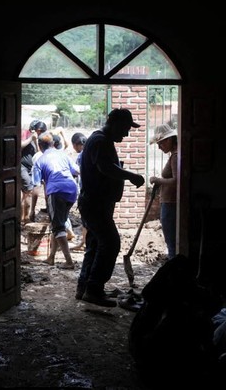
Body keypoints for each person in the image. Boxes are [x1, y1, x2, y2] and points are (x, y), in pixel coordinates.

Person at [76, 108, 145, 307]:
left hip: (95, 203)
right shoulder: (100, 141)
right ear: (113, 123)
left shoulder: (99, 139)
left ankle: (84, 287)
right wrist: (131, 175)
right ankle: (94, 289)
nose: (126, 133)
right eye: (124, 128)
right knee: (111, 243)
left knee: (95, 244)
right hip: (95, 204)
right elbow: (105, 168)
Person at [32, 131, 80, 269]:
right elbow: (77, 170)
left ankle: (69, 261)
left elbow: (36, 188)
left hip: (56, 191)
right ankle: (51, 257)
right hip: (71, 190)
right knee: (58, 222)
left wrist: (32, 210)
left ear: (40, 146)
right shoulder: (63, 155)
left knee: (58, 226)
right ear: (53, 143)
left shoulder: (39, 161)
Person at [149, 123, 178, 259]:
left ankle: (174, 271)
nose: (159, 148)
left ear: (169, 140)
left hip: (171, 204)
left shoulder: (176, 156)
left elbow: (177, 181)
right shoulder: (174, 155)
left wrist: (158, 180)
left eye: (160, 144)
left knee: (171, 243)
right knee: (171, 242)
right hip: (168, 203)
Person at [20, 120, 47, 223]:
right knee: (28, 191)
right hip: (22, 166)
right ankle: (26, 218)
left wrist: (36, 141)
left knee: (27, 193)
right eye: (41, 131)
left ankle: (24, 217)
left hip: (32, 168)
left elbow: (38, 152)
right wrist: (31, 138)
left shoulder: (40, 139)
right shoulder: (25, 134)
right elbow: (19, 146)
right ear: (36, 130)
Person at [70, 132, 87, 251]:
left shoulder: (81, 156)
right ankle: (84, 242)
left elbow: (77, 172)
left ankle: (85, 243)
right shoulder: (89, 152)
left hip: (86, 191)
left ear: (76, 145)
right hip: (91, 190)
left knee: (86, 219)